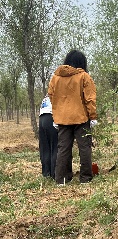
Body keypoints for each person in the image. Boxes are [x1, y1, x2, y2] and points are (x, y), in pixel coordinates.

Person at [48, 50, 97, 185]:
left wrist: (56, 114)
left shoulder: (56, 78)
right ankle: (85, 178)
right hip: (81, 117)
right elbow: (90, 99)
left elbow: (52, 97)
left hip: (62, 119)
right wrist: (92, 116)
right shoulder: (84, 76)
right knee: (84, 147)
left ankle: (61, 179)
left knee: (63, 148)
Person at [38, 94, 58, 179]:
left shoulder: (47, 95)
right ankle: (55, 173)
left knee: (45, 147)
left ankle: (46, 173)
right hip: (51, 116)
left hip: (42, 117)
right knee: (55, 146)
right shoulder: (58, 90)